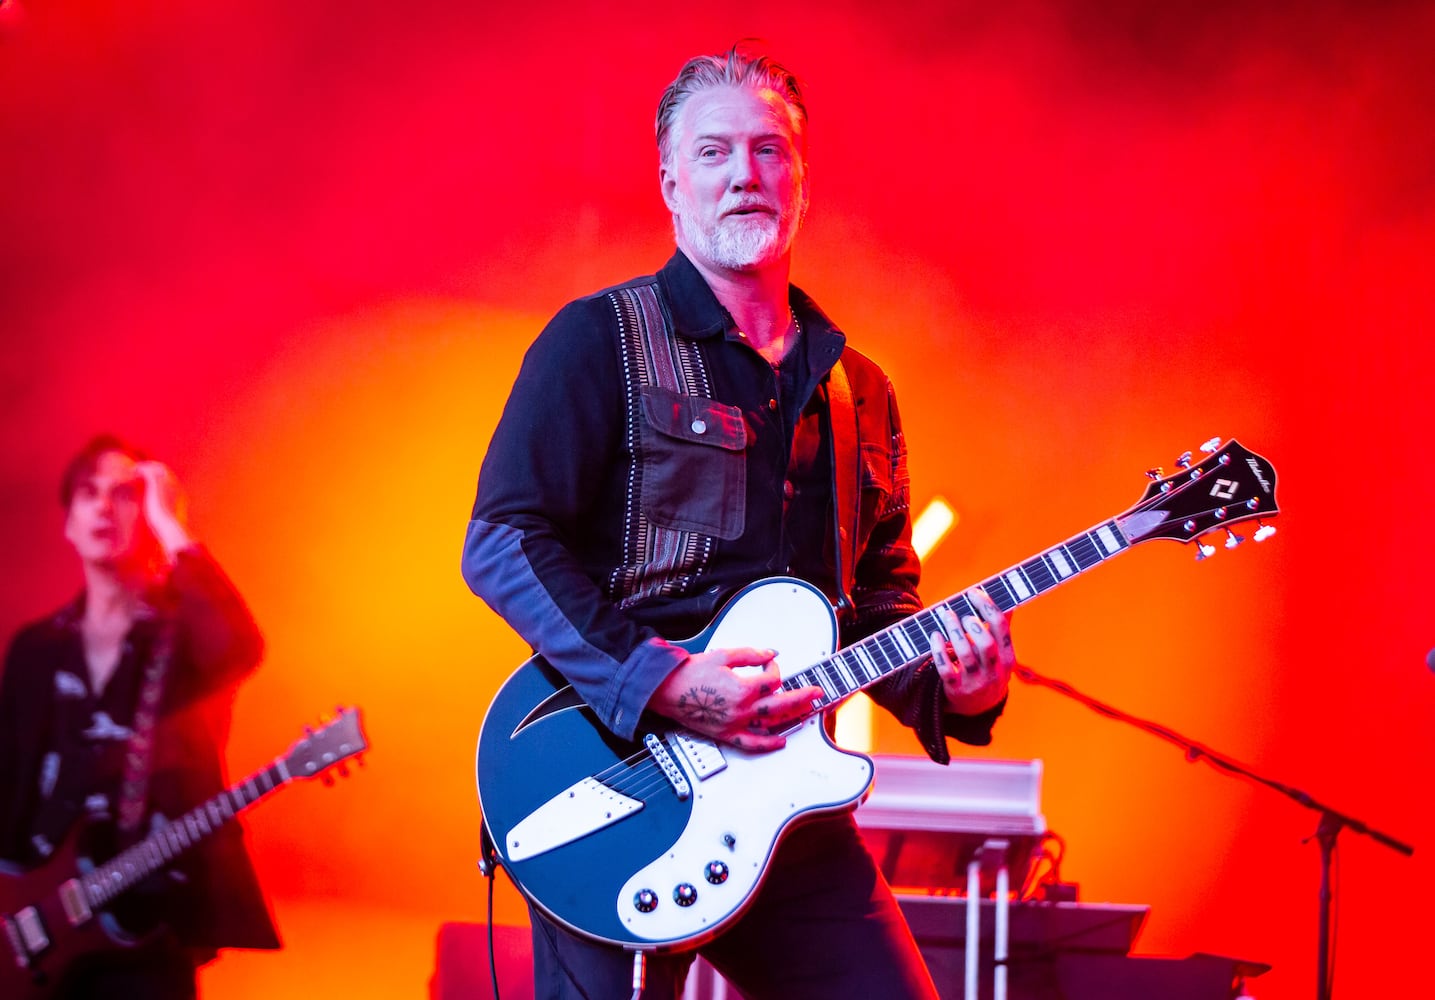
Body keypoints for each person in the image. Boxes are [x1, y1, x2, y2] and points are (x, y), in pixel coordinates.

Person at [463, 43, 1015, 1000]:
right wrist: (666, 683)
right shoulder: (597, 339)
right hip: (617, 779)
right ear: (671, 181)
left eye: (769, 152)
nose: (744, 176)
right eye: (714, 153)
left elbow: (879, 603)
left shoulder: (860, 390)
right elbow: (504, 542)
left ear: (801, 182)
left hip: (787, 811)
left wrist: (960, 688)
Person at [0, 435, 279, 998]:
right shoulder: (34, 649)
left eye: (125, 494)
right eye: (88, 493)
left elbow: (240, 648)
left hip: (149, 929)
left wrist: (172, 523)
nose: (104, 507)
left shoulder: (179, 640)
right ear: (68, 522)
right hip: (32, 923)